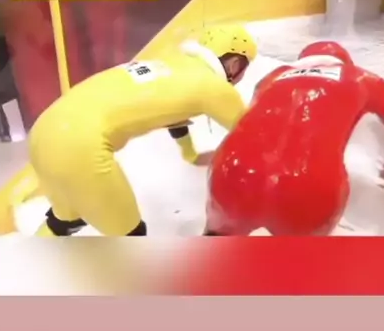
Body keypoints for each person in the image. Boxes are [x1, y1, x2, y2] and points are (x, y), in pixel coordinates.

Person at [29, 24, 257, 237]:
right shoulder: (215, 88)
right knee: (131, 237)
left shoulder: (171, 62)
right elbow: (256, 135)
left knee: (64, 222)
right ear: (234, 64)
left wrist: (191, 154)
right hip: (78, 145)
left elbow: (175, 115)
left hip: (44, 130)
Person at [205, 40, 384, 236]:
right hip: (309, 190)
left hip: (232, 174)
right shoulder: (363, 79)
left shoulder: (270, 79)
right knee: (298, 272)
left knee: (214, 263)